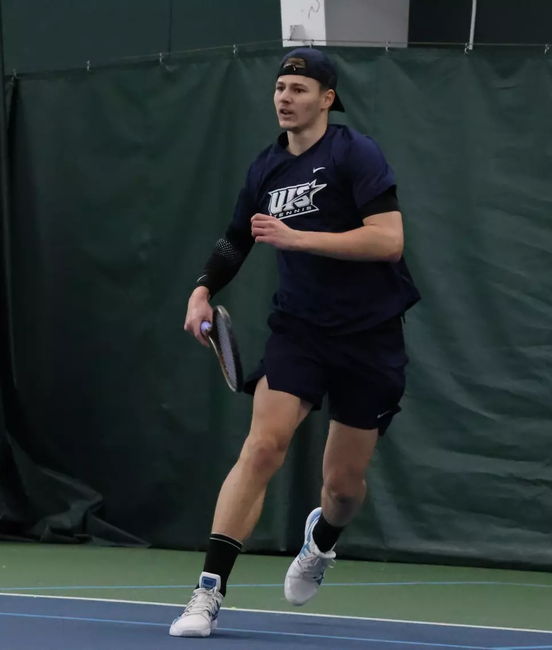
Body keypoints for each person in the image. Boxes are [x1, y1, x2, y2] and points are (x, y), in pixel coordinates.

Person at [169, 47, 421, 638]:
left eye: (300, 90)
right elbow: (236, 240)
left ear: (327, 99)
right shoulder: (266, 167)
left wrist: (299, 238)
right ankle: (208, 591)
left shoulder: (355, 153)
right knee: (262, 447)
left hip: (370, 336)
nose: (285, 97)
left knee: (343, 488)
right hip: (299, 331)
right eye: (281, 88)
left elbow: (388, 241)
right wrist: (202, 290)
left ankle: (322, 539)